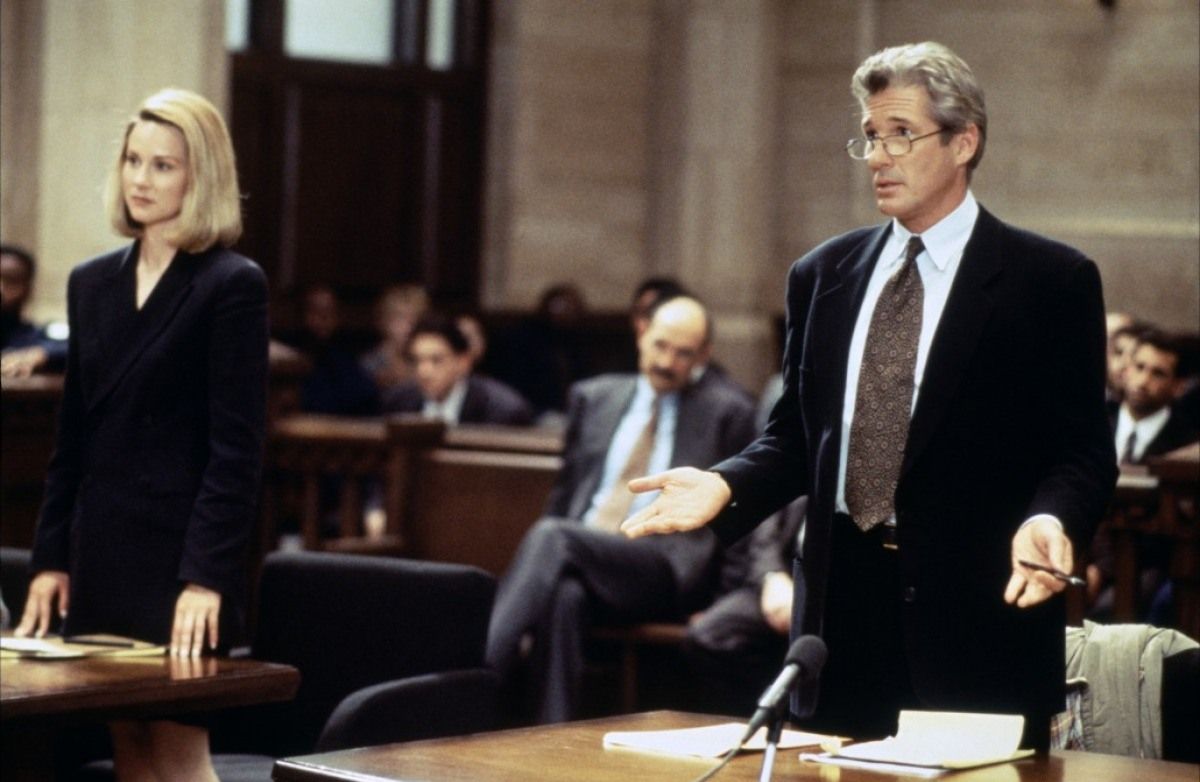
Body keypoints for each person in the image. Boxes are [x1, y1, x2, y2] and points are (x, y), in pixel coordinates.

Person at [622, 42, 1116, 750]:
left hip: (976, 625)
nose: (879, 157)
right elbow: (796, 438)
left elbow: (1082, 453)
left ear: (964, 142)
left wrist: (1052, 517)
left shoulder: (1049, 281)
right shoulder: (822, 274)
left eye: (901, 134)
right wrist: (726, 486)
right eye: (870, 136)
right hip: (840, 624)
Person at [14, 88, 268, 781]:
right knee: (128, 748)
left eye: (163, 165)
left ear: (200, 176)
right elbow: (72, 440)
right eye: (133, 160)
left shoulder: (231, 283)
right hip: (102, 555)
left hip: (181, 562)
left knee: (179, 756)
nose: (141, 179)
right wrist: (50, 558)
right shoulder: (91, 281)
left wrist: (207, 577)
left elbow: (236, 452)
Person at [486, 296, 757, 724]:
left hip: (663, 569)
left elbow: (741, 514)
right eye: (661, 345)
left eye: (683, 353)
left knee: (553, 535)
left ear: (704, 356)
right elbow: (565, 494)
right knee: (565, 596)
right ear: (641, 332)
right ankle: (550, 732)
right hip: (585, 553)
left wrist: (725, 600)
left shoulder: (728, 412)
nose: (666, 362)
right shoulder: (593, 397)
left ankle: (480, 675)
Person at [382, 314, 534, 425]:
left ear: (463, 362)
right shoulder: (398, 402)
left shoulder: (502, 411)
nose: (424, 372)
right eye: (417, 360)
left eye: (436, 360)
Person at [289, 283, 379, 416]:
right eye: (315, 311)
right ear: (301, 315)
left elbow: (365, 398)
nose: (323, 318)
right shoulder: (286, 362)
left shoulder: (345, 361)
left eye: (329, 312)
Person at [0, 243, 68, 377]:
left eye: (11, 281)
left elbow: (79, 348)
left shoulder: (39, 337)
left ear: (29, 289)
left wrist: (41, 355)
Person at [359, 283, 430, 393]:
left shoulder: (433, 360)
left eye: (416, 318)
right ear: (383, 321)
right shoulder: (369, 364)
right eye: (400, 318)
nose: (409, 326)